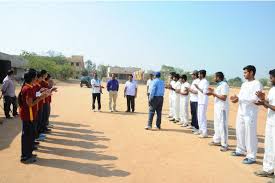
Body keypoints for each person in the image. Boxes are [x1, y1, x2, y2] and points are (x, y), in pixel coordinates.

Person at [230, 65, 263, 164]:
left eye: (245, 72)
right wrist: (236, 98)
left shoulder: (257, 84)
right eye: (244, 73)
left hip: (250, 113)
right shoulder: (244, 84)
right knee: (239, 131)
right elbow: (240, 96)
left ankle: (251, 156)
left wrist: (240, 98)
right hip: (241, 111)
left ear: (251, 72)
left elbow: (254, 99)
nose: (244, 74)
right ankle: (240, 150)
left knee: (250, 134)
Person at [18, 71, 49, 164]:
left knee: (30, 135)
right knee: (27, 136)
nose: (37, 78)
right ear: (32, 78)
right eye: (36, 77)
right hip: (28, 116)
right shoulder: (27, 89)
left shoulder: (30, 87)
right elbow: (30, 104)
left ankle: (29, 154)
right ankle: (25, 156)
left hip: (31, 115)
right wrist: (41, 97)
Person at [254, 69, 275, 177]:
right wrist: (262, 101)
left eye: (271, 77)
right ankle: (268, 169)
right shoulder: (272, 90)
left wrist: (264, 103)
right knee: (269, 146)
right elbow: (268, 103)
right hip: (270, 121)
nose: (270, 79)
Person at [207, 72, 229, 152]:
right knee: (217, 124)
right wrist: (212, 92)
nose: (213, 78)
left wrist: (213, 93)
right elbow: (216, 95)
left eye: (214, 77)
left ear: (218, 77)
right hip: (217, 108)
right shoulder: (219, 85)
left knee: (223, 126)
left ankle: (224, 144)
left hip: (222, 108)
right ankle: (217, 140)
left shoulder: (224, 85)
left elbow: (223, 97)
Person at [194, 70, 209, 138]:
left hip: (203, 101)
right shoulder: (201, 81)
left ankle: (204, 132)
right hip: (200, 101)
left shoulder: (205, 82)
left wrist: (198, 88)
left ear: (202, 75)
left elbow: (205, 92)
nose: (198, 75)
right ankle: (201, 130)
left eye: (199, 74)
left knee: (202, 117)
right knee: (199, 116)